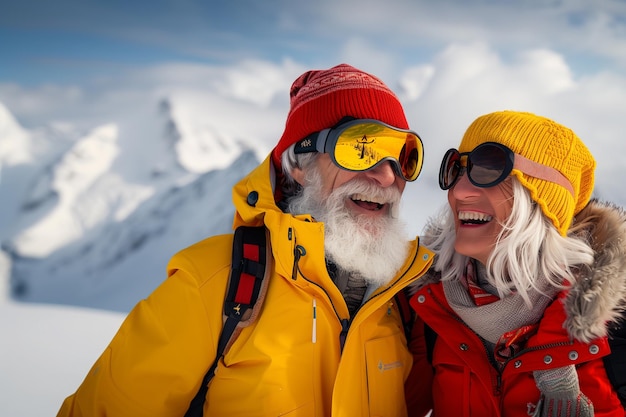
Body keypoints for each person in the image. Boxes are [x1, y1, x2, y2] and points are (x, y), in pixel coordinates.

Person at [57, 63, 435, 417]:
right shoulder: (216, 282)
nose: (387, 177)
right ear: (300, 166)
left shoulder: (405, 300)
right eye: (361, 147)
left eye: (402, 156)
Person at [408, 110, 626, 416]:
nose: (459, 191)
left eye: (488, 169)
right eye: (457, 169)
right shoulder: (426, 307)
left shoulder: (615, 327)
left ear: (543, 203)